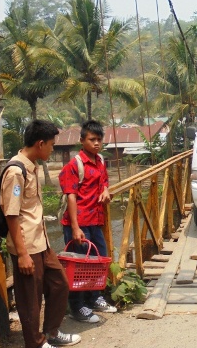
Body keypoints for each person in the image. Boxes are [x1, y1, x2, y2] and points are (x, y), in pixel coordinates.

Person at [1, 120, 80, 348]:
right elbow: (12, 215)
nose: (53, 149)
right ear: (40, 143)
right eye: (52, 145)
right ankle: (35, 343)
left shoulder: (30, 166)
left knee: (59, 284)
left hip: (41, 243)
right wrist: (23, 254)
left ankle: (51, 332)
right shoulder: (16, 171)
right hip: (26, 245)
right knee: (30, 299)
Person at [59, 120, 116, 323]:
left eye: (99, 139)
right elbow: (71, 196)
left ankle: (94, 298)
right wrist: (75, 227)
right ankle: (77, 307)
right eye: (92, 139)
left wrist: (106, 191)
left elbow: (104, 182)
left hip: (95, 220)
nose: (96, 143)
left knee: (100, 260)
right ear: (82, 140)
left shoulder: (100, 160)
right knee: (79, 267)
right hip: (79, 223)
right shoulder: (74, 165)